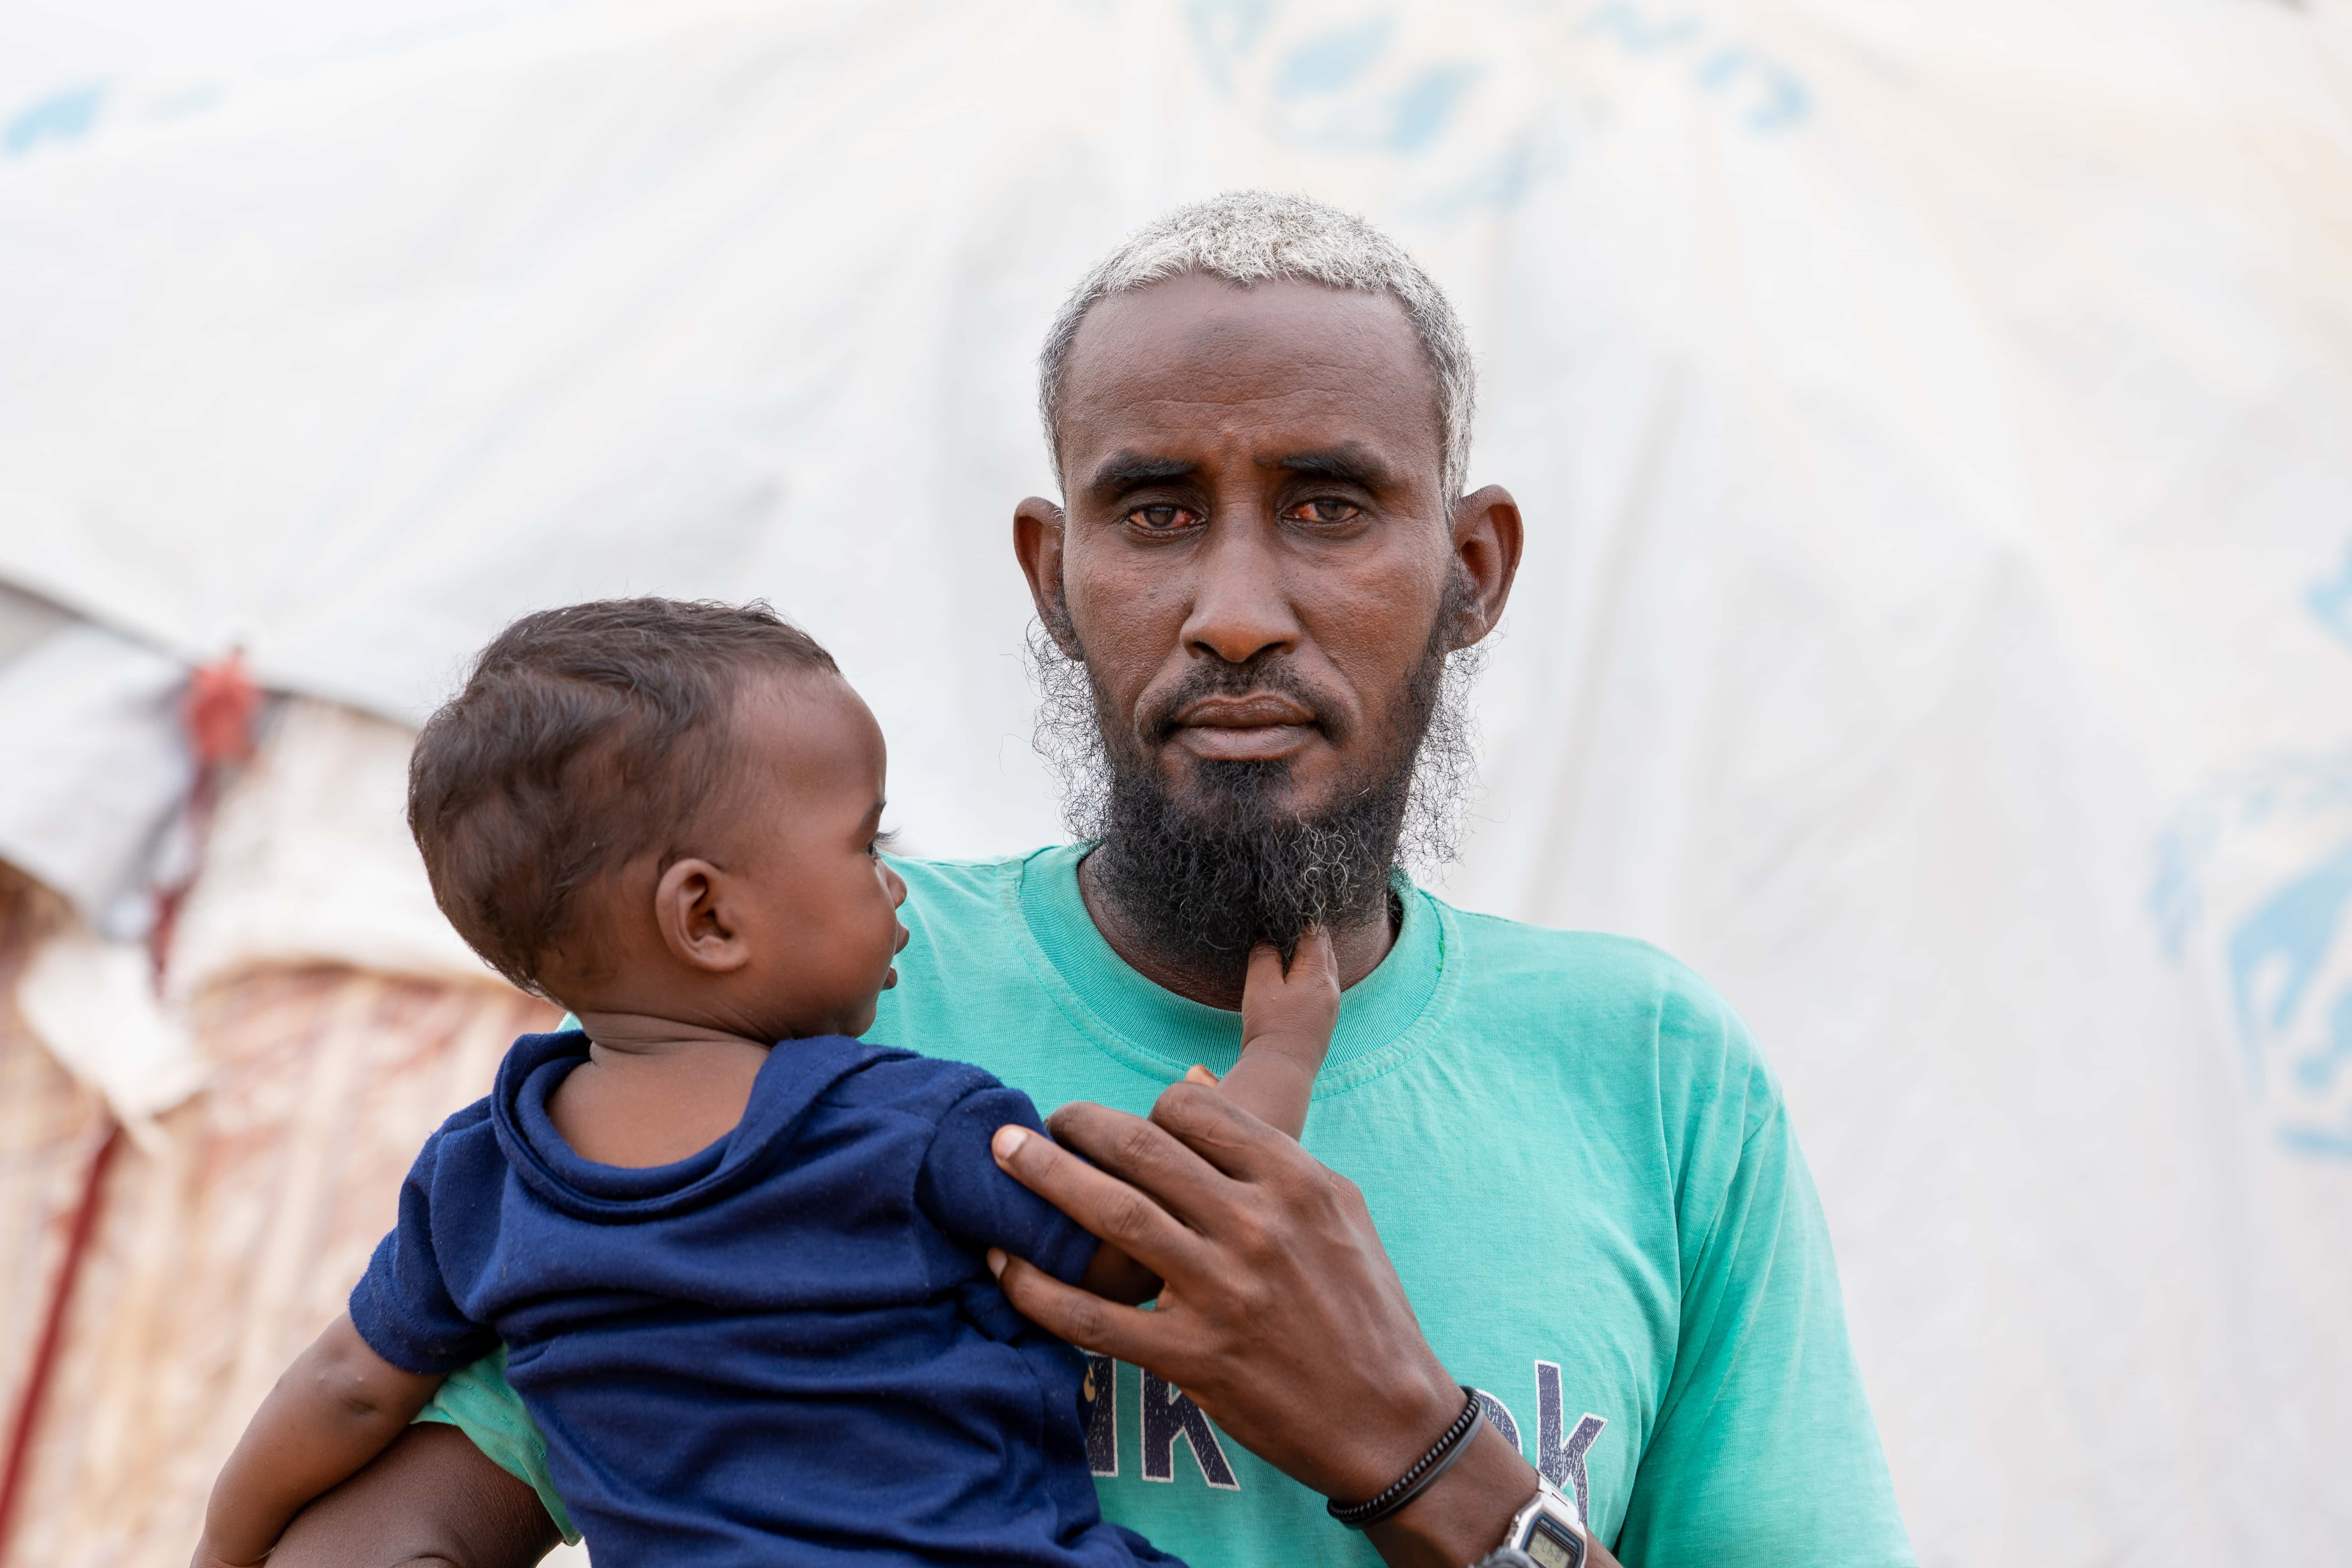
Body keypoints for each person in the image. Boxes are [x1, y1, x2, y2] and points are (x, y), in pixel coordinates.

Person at [269, 192, 1917, 1568]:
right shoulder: (808, 1001)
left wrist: (1418, 1450)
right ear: (1055, 578)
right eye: (1157, 514)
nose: (1236, 611)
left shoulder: (1651, 1073)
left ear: (1471, 570)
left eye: (1330, 506)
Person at [194, 598, 1342, 1568]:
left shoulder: (481, 1181)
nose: (898, 885)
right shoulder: (907, 1126)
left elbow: (345, 1388)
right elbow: (1151, 1242)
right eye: (868, 847)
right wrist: (1281, 1056)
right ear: (707, 917)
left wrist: (220, 1552)